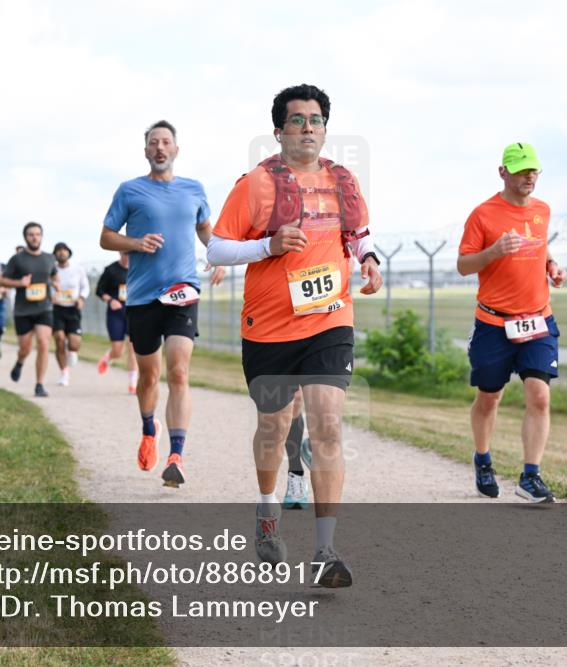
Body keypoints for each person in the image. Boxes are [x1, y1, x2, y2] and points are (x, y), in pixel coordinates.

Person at [207, 84, 383, 587]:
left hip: (329, 318)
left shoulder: (343, 179)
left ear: (325, 129)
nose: (308, 127)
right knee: (273, 429)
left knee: (327, 426)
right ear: (279, 130)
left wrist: (370, 261)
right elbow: (218, 250)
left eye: (316, 120)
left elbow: (360, 232)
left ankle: (325, 550)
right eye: (298, 119)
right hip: (269, 328)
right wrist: (267, 246)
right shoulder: (256, 184)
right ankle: (267, 513)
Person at [99, 119, 225, 488]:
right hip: (142, 297)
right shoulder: (130, 191)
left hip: (183, 290)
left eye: (165, 142)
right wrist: (135, 243)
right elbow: (106, 237)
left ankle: (176, 455)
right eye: (153, 142)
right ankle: (148, 428)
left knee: (180, 371)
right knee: (150, 376)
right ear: (145, 151)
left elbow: (205, 228)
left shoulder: (194, 189)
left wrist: (215, 255)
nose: (159, 148)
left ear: (176, 150)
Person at [456, 142, 567, 504]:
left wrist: (551, 265)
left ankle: (530, 477)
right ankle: (483, 459)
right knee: (489, 398)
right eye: (520, 170)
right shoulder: (482, 215)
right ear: (502, 172)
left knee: (539, 395)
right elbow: (464, 265)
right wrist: (493, 252)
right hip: (494, 324)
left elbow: (539, 245)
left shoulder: (542, 210)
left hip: (538, 320)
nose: (528, 176)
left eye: (533, 170)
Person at [0, 222, 59, 398]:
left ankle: (39, 384)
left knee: (43, 342)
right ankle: (20, 362)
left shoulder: (49, 258)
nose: (34, 237)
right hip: (23, 310)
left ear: (42, 236)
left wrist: (55, 285)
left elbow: (54, 275)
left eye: (37, 234)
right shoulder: (17, 259)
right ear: (25, 237)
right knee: (25, 348)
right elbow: (2, 281)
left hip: (44, 308)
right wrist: (20, 283)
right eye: (31, 234)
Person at [95, 250, 138, 393]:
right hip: (116, 314)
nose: (127, 257)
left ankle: (133, 384)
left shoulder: (138, 268)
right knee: (118, 351)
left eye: (130, 254)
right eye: (124, 253)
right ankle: (108, 357)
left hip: (134, 313)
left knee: (133, 349)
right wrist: (111, 300)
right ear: (119, 253)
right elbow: (99, 290)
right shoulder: (111, 270)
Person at [51, 242, 90, 387]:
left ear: (68, 252)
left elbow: (85, 286)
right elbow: (47, 287)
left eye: (64, 250)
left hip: (73, 308)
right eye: (58, 251)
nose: (61, 253)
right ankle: (64, 373)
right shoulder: (51, 270)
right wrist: (51, 297)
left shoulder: (77, 269)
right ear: (55, 254)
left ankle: (72, 351)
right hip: (57, 309)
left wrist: (81, 298)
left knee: (74, 343)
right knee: (59, 339)